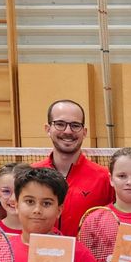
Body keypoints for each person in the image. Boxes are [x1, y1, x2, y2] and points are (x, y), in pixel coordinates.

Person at [33, 99, 111, 238]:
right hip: (40, 257)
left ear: (84, 132)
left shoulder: (105, 177)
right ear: (48, 129)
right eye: (60, 124)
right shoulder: (31, 175)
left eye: (75, 125)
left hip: (87, 259)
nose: (68, 131)